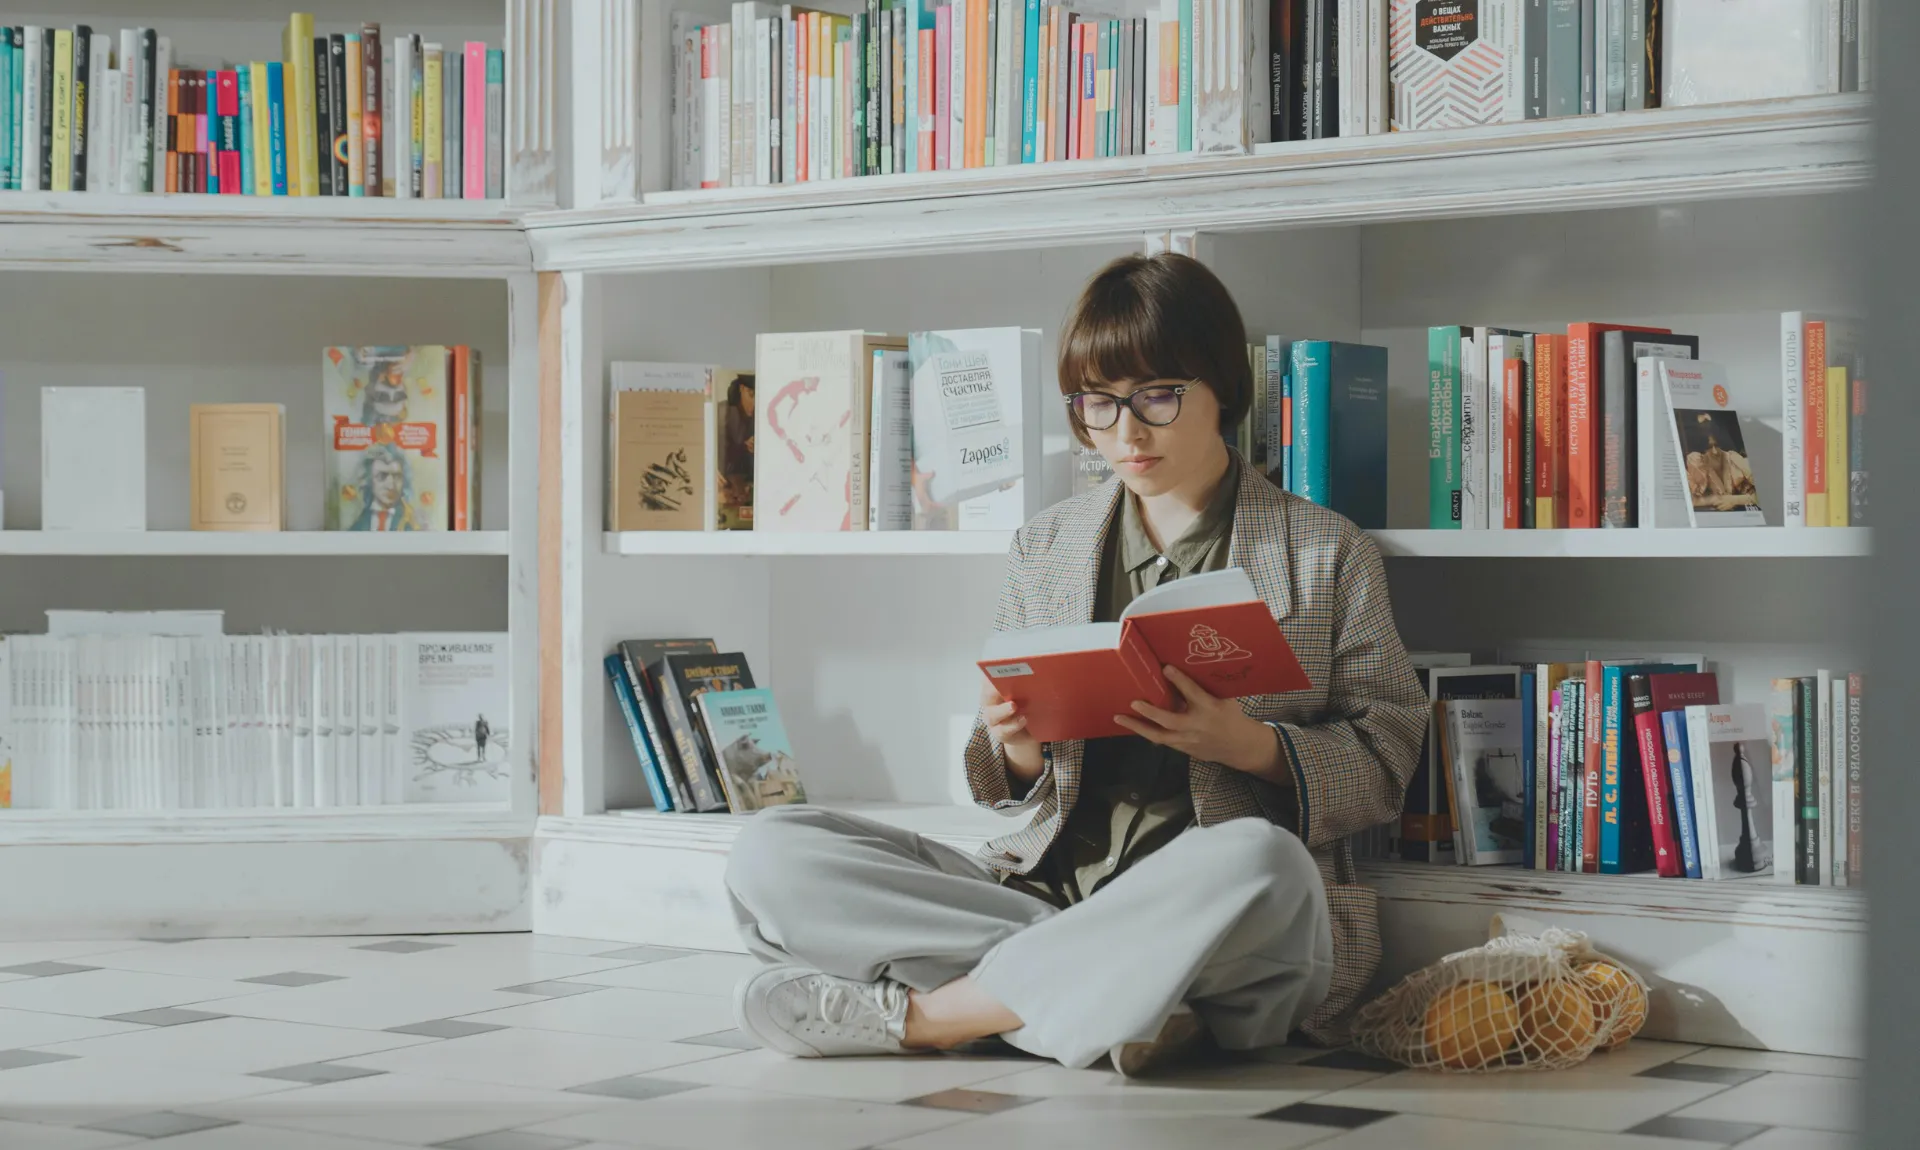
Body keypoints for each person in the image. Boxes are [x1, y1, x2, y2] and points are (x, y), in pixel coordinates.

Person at [723, 252, 1427, 1076]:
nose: (1124, 433)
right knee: (772, 849)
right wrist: (1013, 740)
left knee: (1260, 859)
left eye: (1158, 396)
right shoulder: (1047, 544)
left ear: (1223, 391)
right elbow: (1003, 782)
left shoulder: (1325, 550)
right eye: (1098, 404)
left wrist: (1250, 746)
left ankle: (932, 1018)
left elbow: (1388, 761)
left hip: (1227, 910)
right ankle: (1124, 997)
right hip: (1045, 888)